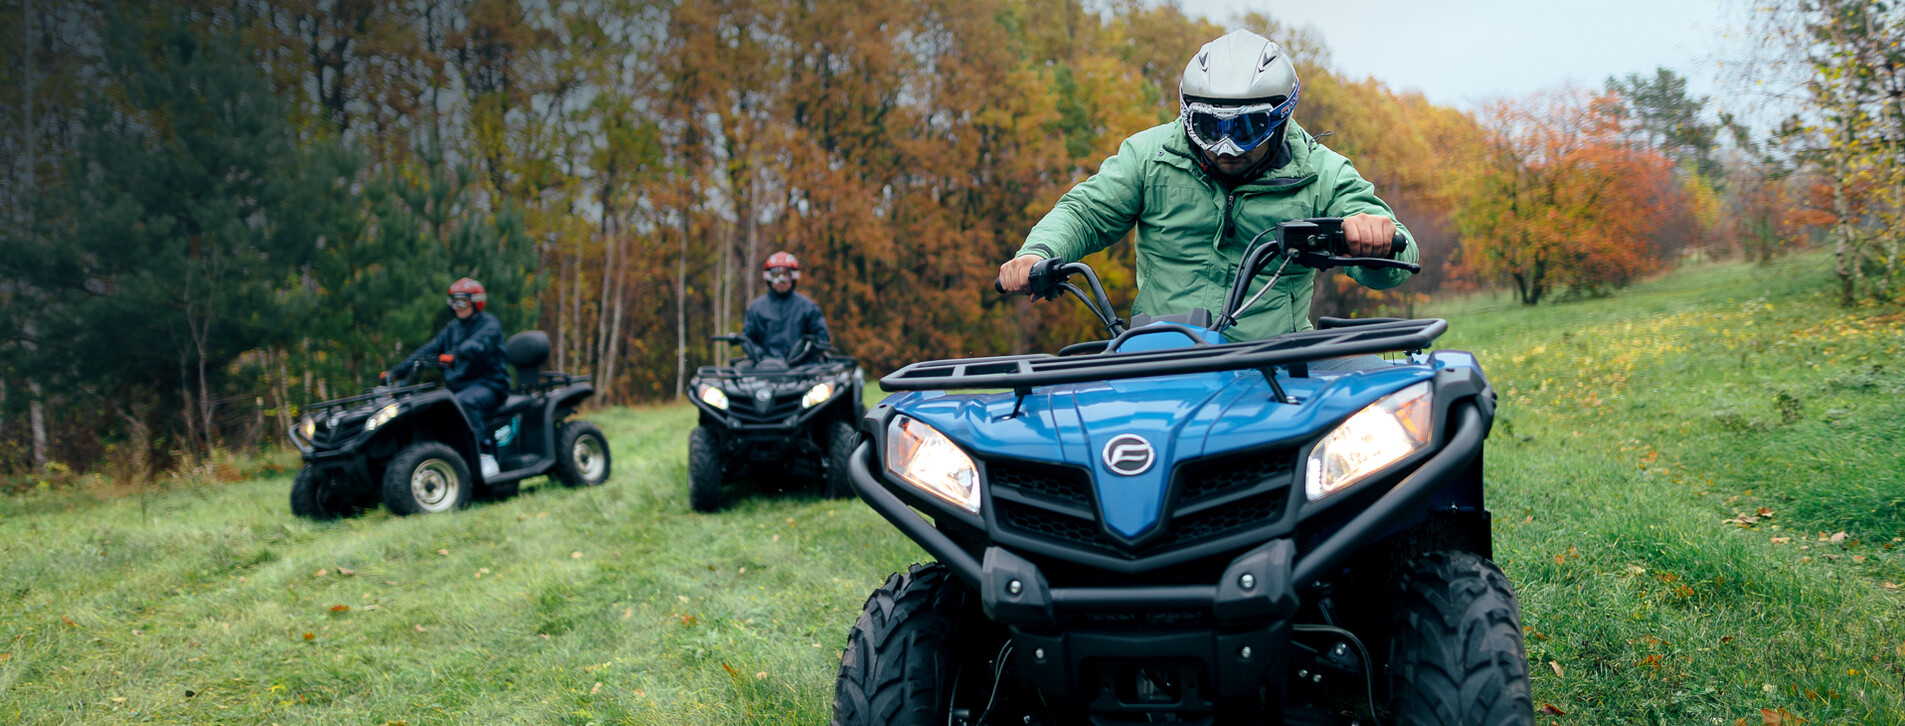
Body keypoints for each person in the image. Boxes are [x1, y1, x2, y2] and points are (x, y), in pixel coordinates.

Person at [997, 29, 1420, 348]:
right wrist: (1038, 252)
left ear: (1282, 117)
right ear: (1186, 115)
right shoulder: (1149, 155)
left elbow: (1403, 254)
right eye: (1208, 126)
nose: (1226, 146)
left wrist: (1376, 241)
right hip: (1158, 357)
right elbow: (1086, 211)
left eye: (1247, 128)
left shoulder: (1321, 172)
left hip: (1274, 361)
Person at [387, 277, 510, 439]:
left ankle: (483, 454)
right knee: (430, 406)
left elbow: (477, 344)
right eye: (454, 303)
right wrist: (398, 371)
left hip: (490, 385)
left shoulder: (489, 324)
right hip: (459, 387)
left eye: (462, 302)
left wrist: (457, 353)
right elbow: (428, 349)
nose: (458, 307)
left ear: (476, 302)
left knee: (464, 402)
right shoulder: (452, 328)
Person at [741, 251, 831, 364]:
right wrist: (762, 358)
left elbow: (821, 336)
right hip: (764, 371)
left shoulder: (808, 307)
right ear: (769, 278)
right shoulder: (757, 308)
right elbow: (747, 339)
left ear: (793, 277)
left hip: (802, 370)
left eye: (786, 275)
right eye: (776, 276)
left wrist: (803, 353)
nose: (781, 280)